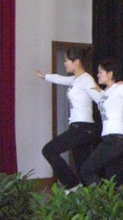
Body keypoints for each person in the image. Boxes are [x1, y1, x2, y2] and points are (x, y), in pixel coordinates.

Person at [35, 46, 99, 189]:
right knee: (83, 168)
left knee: (49, 150)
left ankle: (72, 185)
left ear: (76, 62)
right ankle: (94, 197)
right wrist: (45, 76)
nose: (64, 63)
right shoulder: (76, 80)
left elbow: (100, 98)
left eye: (66, 60)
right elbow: (60, 79)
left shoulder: (86, 80)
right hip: (78, 127)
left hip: (83, 128)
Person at [80, 57, 123, 185]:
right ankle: (113, 197)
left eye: (100, 72)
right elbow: (103, 99)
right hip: (108, 138)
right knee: (114, 179)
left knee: (87, 170)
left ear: (110, 74)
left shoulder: (120, 89)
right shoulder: (106, 92)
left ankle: (100, 196)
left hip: (116, 139)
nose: (97, 75)